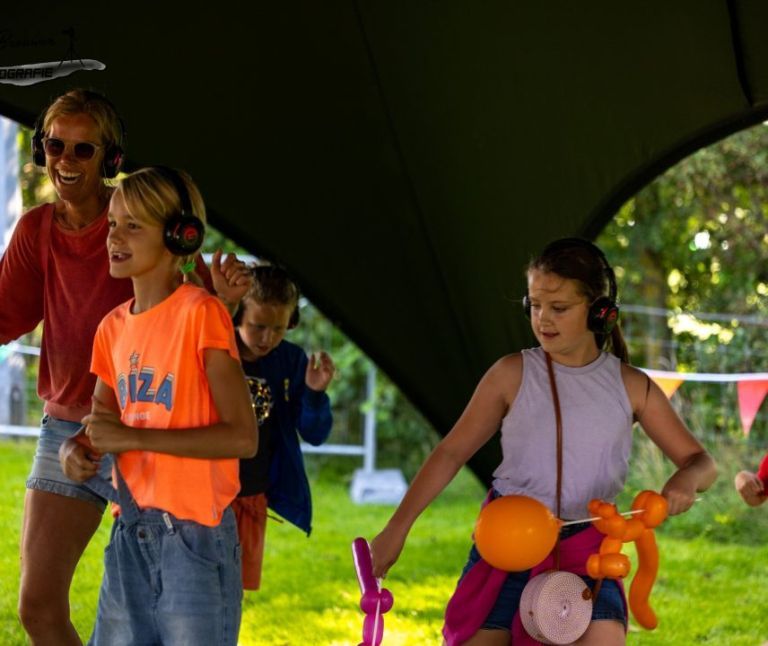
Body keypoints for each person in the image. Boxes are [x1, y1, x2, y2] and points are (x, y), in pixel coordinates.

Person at [370, 238, 717, 646]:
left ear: (599, 310)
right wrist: (397, 528)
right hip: (506, 549)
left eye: (559, 308)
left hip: (590, 556)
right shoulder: (511, 373)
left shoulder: (632, 386)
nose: (543, 319)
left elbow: (701, 462)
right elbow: (451, 452)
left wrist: (686, 479)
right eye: (534, 305)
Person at [0, 88, 248, 645]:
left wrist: (227, 303)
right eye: (53, 145)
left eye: (82, 150)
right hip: (76, 427)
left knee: (166, 603)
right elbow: (3, 315)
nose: (64, 160)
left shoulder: (147, 219)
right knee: (38, 605)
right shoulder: (39, 231)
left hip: (157, 439)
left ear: (112, 159)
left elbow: (197, 322)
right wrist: (82, 439)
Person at [63, 166, 257, 644]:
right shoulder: (111, 329)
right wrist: (77, 449)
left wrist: (132, 437)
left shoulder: (202, 314)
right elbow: (100, 427)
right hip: (130, 536)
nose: (115, 236)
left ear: (180, 236)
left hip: (195, 542)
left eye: (134, 225)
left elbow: (242, 436)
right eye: (113, 223)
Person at [231, 264, 335, 590]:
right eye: (257, 326)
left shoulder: (290, 361)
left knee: (232, 593)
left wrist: (316, 394)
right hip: (204, 495)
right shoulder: (216, 349)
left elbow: (314, 434)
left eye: (278, 329)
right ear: (236, 316)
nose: (268, 338)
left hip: (251, 496)